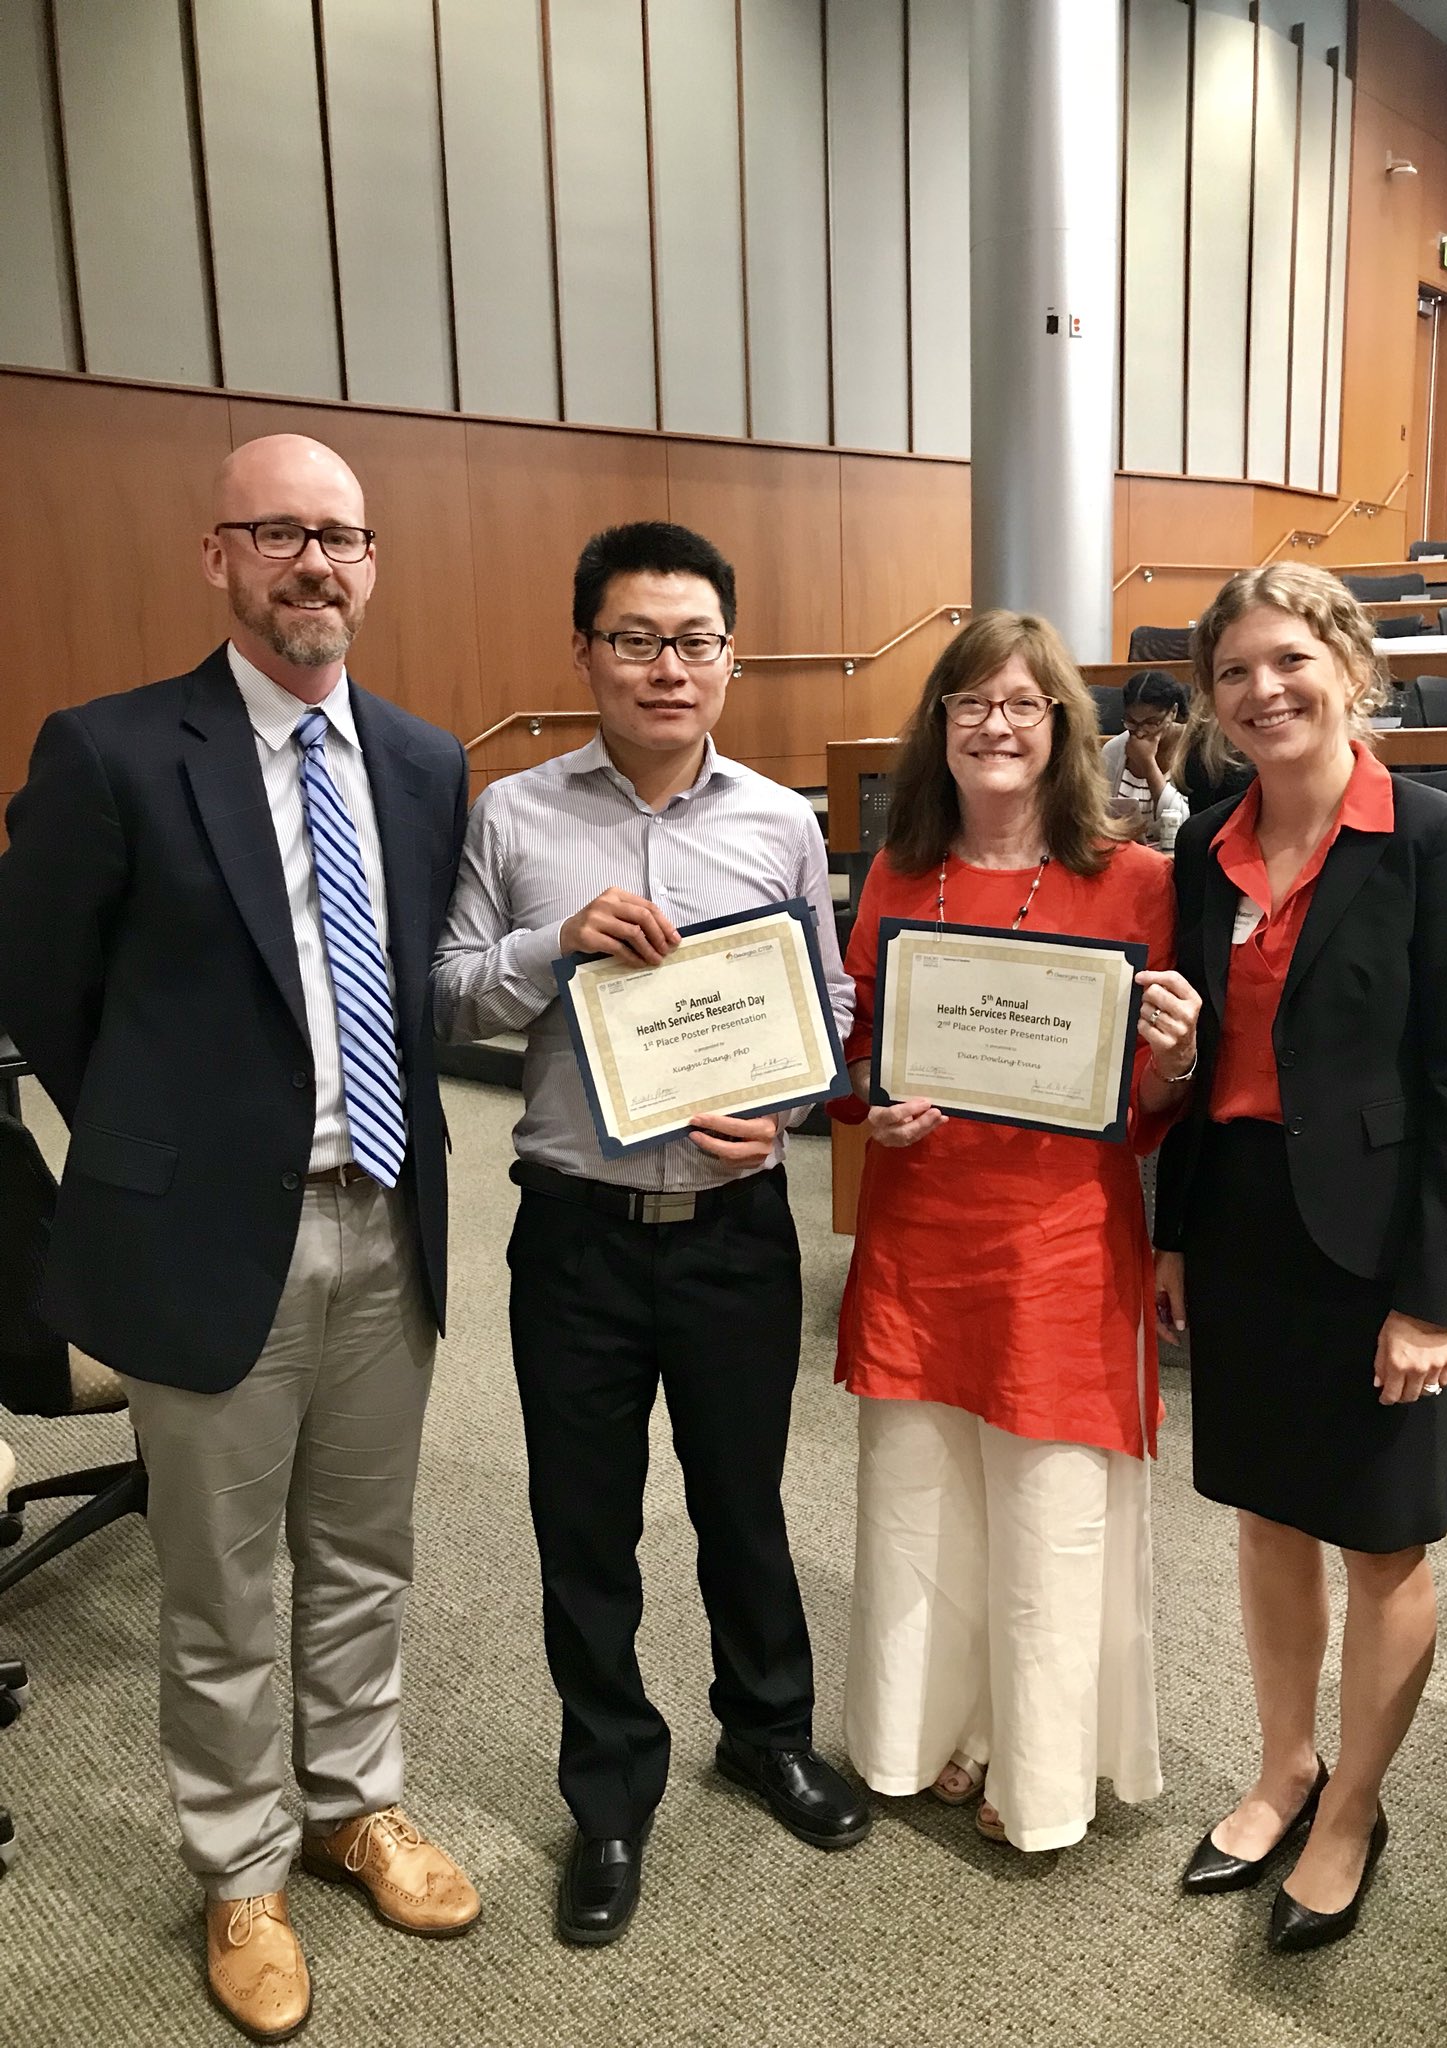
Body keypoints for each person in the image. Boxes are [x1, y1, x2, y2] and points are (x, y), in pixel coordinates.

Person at [0, 436, 477, 2040]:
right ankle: (240, 1864)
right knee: (220, 1582)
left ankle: (355, 1805)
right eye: (279, 534)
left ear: (371, 565)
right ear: (219, 556)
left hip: (385, 1222)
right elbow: (42, 988)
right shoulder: (116, 749)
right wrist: (160, 1150)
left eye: (340, 538)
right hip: (209, 1243)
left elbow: (414, 991)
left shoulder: (418, 762)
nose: (314, 565)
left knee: (366, 1557)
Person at [432, 520, 868, 1946]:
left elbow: (833, 1008)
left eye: (694, 643)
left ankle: (768, 1731)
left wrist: (793, 1111)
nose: (667, 668)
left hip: (738, 1228)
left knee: (744, 1502)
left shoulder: (779, 820)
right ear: (586, 654)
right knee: (584, 1525)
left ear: (728, 659)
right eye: (636, 640)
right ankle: (610, 1793)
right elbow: (445, 1001)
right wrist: (552, 946)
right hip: (577, 1236)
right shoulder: (512, 816)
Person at [1154, 564, 1447, 1953]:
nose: (1263, 691)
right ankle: (1282, 1764)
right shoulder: (1204, 845)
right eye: (1235, 671)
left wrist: (1434, 1301)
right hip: (1238, 1224)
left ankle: (1352, 1806)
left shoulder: (1434, 840)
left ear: (1347, 664)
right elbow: (1198, 1059)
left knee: (1381, 1540)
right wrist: (1174, 1232)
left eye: (1289, 659)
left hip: (1376, 1253)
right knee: (1265, 1514)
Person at [832, 610, 1201, 1854]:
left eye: (1025, 704)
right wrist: (872, 1098)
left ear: (1062, 730)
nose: (997, 724)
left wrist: (1171, 1060)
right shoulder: (894, 874)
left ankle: (1032, 1761)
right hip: (919, 1232)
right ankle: (929, 1731)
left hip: (1055, 1243)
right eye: (972, 702)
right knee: (922, 1497)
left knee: (1047, 1511)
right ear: (940, 726)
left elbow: (1149, 1101)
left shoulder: (1135, 879)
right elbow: (858, 1049)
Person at [1099, 667, 1190, 849]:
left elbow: (1183, 826)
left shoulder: (1193, 749)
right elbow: (1101, 813)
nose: (1140, 732)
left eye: (1151, 722)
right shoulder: (1113, 750)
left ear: (1173, 712)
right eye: (1131, 722)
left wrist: (1148, 764)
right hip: (1125, 854)